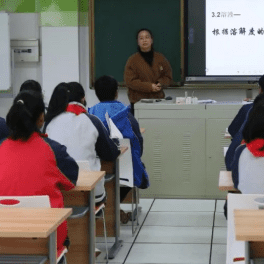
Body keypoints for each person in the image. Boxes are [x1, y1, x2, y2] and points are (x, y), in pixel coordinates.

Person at [0, 90, 78, 252]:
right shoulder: (52, 149)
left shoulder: (1, 147)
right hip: (46, 239)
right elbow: (72, 179)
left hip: (3, 238)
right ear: (41, 118)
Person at [44, 82, 120, 203]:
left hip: (58, 193)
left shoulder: (49, 123)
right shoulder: (92, 121)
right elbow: (110, 154)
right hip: (89, 195)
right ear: (83, 99)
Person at [89, 75, 150, 222]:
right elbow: (138, 145)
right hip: (125, 170)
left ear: (96, 93)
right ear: (116, 93)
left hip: (96, 169)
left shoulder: (90, 114)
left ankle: (110, 207)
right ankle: (114, 207)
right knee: (137, 167)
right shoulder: (126, 114)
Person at [124, 28, 173, 114]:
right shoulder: (132, 60)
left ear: (151, 40)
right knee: (140, 127)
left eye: (147, 37)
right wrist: (149, 87)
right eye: (141, 38)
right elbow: (130, 81)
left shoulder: (160, 58)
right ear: (138, 42)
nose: (144, 40)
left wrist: (160, 83)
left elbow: (168, 77)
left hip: (158, 101)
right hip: (138, 103)